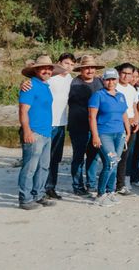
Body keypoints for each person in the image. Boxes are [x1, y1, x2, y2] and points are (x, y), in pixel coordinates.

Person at [17, 56, 64, 210]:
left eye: (49, 68)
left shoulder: (46, 86)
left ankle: (39, 195)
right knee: (30, 167)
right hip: (34, 132)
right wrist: (27, 131)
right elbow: (23, 111)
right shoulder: (30, 86)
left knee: (44, 166)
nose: (47, 71)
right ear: (36, 70)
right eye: (43, 68)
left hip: (46, 132)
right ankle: (25, 199)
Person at [88, 69, 130, 207]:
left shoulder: (121, 96)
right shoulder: (98, 95)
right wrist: (95, 135)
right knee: (110, 162)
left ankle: (111, 191)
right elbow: (92, 117)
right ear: (103, 80)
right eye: (108, 79)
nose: (111, 82)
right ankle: (100, 194)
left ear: (117, 80)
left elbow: (124, 114)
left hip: (119, 133)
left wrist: (127, 131)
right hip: (104, 133)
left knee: (116, 162)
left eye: (113, 79)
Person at [67, 55, 104, 196]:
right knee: (78, 157)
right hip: (78, 126)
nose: (89, 70)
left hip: (95, 126)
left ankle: (91, 184)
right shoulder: (73, 83)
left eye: (92, 67)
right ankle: (77, 186)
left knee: (93, 156)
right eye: (86, 68)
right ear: (81, 70)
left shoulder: (100, 82)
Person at [42, 52, 74, 200]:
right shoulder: (50, 77)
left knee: (55, 158)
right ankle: (39, 188)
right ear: (59, 62)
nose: (69, 66)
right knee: (43, 158)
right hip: (46, 123)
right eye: (66, 63)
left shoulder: (70, 79)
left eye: (72, 64)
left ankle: (50, 187)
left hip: (61, 124)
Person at [114, 62, 139, 196]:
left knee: (124, 156)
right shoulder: (114, 86)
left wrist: (136, 119)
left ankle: (120, 184)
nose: (126, 76)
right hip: (118, 124)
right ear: (119, 73)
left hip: (131, 125)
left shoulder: (132, 89)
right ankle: (111, 183)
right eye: (124, 73)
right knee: (113, 155)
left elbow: (134, 106)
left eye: (129, 74)